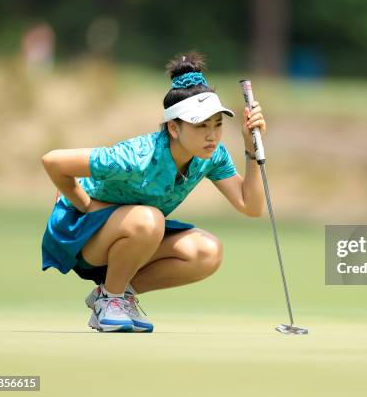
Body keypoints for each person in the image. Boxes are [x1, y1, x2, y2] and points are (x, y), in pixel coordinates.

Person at [41, 52, 267, 332]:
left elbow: (251, 206)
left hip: (136, 237)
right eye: (200, 126)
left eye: (217, 125)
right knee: (150, 220)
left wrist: (251, 148)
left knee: (207, 251)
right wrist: (86, 204)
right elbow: (53, 161)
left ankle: (117, 295)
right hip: (81, 236)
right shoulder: (137, 156)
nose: (211, 135)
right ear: (174, 127)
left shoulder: (211, 156)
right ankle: (109, 301)